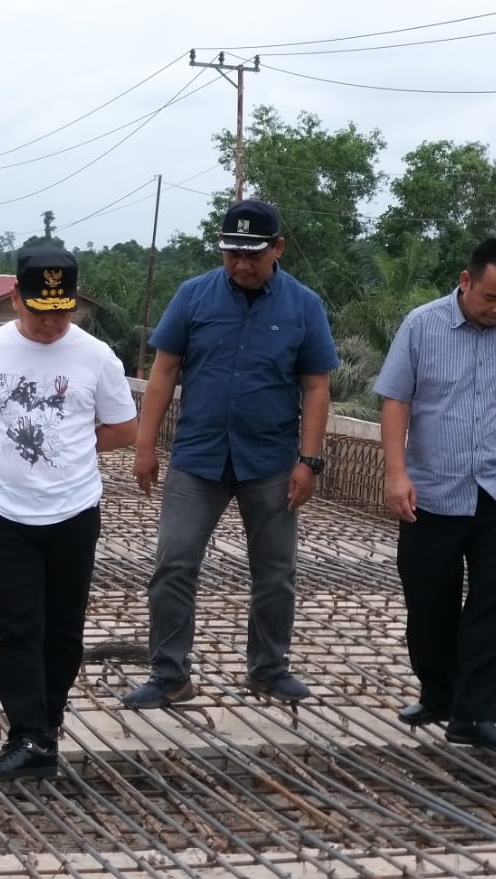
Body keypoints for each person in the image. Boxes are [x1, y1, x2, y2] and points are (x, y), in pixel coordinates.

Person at [123, 199, 339, 710]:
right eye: (231, 254)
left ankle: (268, 669)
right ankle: (169, 674)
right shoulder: (193, 296)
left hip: (270, 461)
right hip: (198, 458)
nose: (241, 265)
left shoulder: (303, 305)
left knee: (275, 571)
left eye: (252, 255)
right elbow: (163, 372)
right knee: (173, 563)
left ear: (277, 249)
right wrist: (145, 445)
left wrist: (309, 461)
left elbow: (315, 387)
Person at [0, 247, 137, 778]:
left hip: (73, 510)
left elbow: (125, 429)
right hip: (6, 512)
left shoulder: (96, 357)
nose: (50, 323)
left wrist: (70, 441)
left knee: (64, 629)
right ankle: (27, 734)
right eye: (39, 310)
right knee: (18, 626)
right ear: (14, 298)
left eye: (62, 311)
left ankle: (45, 728)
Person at [376, 237, 496, 756]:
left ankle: (475, 716)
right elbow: (395, 401)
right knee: (428, 604)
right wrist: (396, 473)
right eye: (491, 298)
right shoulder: (422, 326)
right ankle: (439, 694)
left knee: (491, 604)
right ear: (466, 281)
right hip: (432, 491)